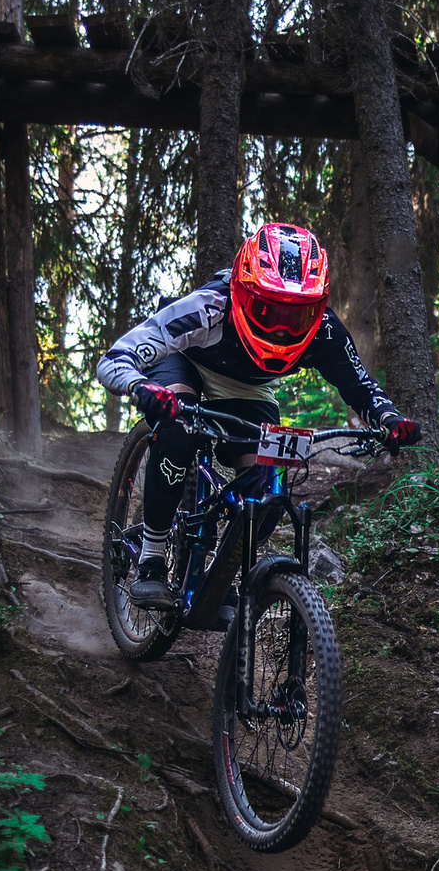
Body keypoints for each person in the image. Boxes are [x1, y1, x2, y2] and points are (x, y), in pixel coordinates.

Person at [97, 220, 421, 605]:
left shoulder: (325, 332)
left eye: (297, 316)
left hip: (248, 388)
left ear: (317, 309)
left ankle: (219, 580)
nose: (282, 330)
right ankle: (151, 556)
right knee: (178, 425)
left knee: (269, 483)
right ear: (242, 293)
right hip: (186, 365)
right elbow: (115, 358)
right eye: (268, 312)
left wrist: (389, 421)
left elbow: (360, 387)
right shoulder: (209, 308)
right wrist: (141, 387)